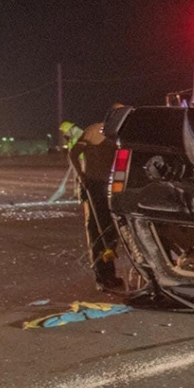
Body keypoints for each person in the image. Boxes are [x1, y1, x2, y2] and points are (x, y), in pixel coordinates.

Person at [63, 118, 122, 292]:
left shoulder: (117, 134)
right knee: (97, 230)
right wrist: (82, 176)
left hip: (109, 186)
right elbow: (73, 154)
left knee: (109, 231)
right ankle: (102, 278)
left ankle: (109, 274)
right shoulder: (94, 131)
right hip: (93, 186)